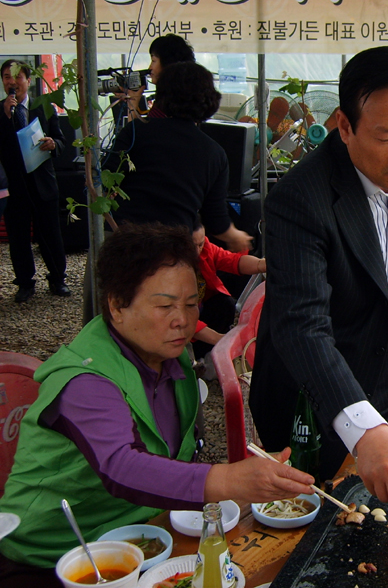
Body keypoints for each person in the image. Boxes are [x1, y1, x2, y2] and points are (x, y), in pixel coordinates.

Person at [0, 223, 313, 587]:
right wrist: (231, 478)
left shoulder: (171, 356)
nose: (183, 320)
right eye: (164, 305)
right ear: (117, 305)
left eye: (191, 304)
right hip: (57, 559)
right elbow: (121, 465)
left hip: (146, 537)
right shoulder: (84, 378)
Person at [248, 46, 388, 518]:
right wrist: (362, 428)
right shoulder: (300, 199)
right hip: (312, 395)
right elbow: (301, 326)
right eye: (386, 136)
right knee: (315, 526)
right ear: (344, 124)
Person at [104, 61, 251, 253]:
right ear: (209, 99)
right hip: (173, 250)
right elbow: (215, 219)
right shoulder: (214, 153)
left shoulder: (134, 131)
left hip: (124, 242)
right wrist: (236, 236)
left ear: (162, 96)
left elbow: (104, 179)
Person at [0, 59, 70, 303]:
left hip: (43, 181)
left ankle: (57, 279)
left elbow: (62, 142)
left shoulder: (45, 108)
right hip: (14, 184)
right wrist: (4, 117)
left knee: (50, 232)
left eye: (17, 76)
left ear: (28, 81)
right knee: (18, 236)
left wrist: (53, 144)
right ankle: (25, 283)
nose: (12, 81)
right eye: (7, 77)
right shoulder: (0, 111)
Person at [191, 217, 266, 358]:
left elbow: (233, 261)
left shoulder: (206, 249)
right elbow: (182, 316)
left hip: (201, 308)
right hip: (183, 321)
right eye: (191, 245)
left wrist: (262, 265)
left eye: (200, 245)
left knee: (226, 305)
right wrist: (220, 339)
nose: (196, 251)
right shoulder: (168, 269)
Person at [125, 33, 195, 120]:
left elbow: (143, 133)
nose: (150, 68)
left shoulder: (167, 103)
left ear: (168, 64)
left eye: (153, 60)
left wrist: (133, 106)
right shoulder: (187, 97)